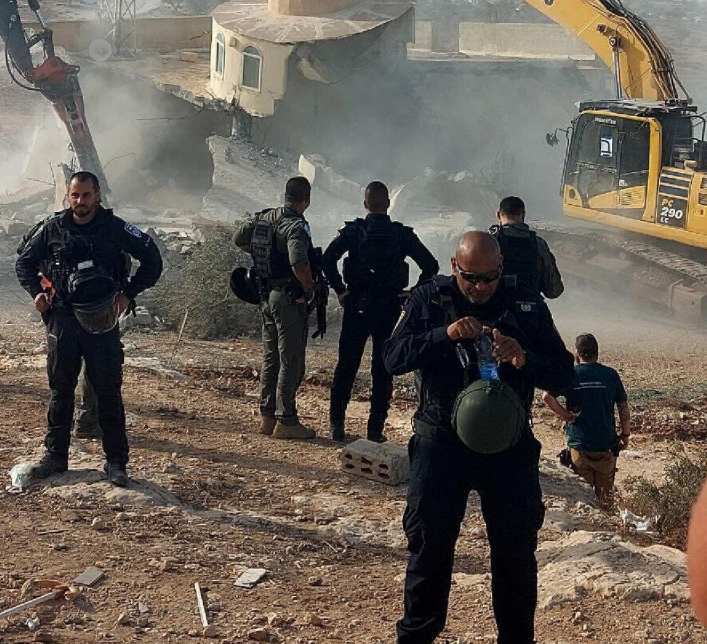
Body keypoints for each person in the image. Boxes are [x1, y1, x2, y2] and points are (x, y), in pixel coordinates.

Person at [384, 231, 574, 644]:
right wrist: (444, 335)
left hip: (508, 447)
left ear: (500, 270)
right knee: (429, 550)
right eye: (472, 278)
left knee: (516, 556)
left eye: (489, 278)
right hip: (441, 442)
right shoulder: (430, 299)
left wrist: (524, 358)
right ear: (455, 267)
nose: (481, 287)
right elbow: (392, 358)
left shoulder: (525, 304)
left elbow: (563, 373)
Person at [16, 171, 163, 487]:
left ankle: (116, 462)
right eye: (75, 196)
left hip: (102, 318)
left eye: (86, 195)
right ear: (67, 197)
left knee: (108, 390)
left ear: (97, 196)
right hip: (63, 317)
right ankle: (55, 457)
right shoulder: (53, 228)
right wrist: (37, 293)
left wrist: (129, 294)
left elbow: (152, 258)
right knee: (61, 390)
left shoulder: (114, 228)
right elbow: (23, 262)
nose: (80, 202)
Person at [322, 180, 438, 443]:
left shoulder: (354, 232)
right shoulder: (402, 235)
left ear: (365, 205)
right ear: (387, 204)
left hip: (356, 306)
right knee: (382, 369)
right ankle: (375, 430)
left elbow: (327, 260)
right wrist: (411, 294)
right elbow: (430, 265)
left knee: (347, 366)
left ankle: (337, 425)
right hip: (388, 307)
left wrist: (340, 291)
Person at [233, 176, 318, 440]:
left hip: (264, 294)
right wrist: (309, 287)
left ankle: (267, 416)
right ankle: (287, 420)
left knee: (271, 356)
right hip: (287, 297)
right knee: (291, 358)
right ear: (306, 200)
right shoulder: (295, 226)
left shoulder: (264, 218)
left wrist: (264, 252)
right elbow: (299, 262)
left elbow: (239, 238)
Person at [543, 333, 630, 507]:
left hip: (579, 446)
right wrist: (625, 434)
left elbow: (546, 396)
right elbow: (623, 407)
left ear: (577, 353)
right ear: (597, 353)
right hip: (606, 446)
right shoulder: (610, 375)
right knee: (605, 500)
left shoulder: (572, 374)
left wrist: (565, 415)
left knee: (585, 500)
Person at [489, 195, 563, 301]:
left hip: (495, 309)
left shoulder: (488, 241)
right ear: (523, 214)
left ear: (498, 215)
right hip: (528, 311)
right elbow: (554, 291)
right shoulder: (538, 244)